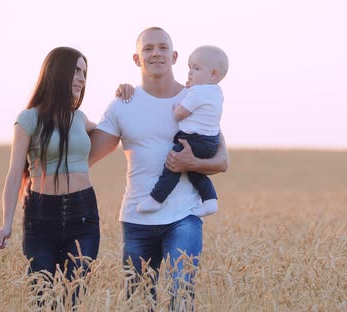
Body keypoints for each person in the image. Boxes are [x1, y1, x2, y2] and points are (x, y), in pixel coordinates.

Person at [89, 27, 229, 309]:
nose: (156, 53)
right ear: (136, 58)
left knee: (181, 293)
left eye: (163, 47)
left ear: (174, 56)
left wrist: (193, 163)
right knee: (139, 301)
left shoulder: (197, 98)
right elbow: (88, 154)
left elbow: (222, 161)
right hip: (137, 219)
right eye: (148, 48)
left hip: (184, 216)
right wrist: (78, 121)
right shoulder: (122, 104)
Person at [0, 47, 100, 305]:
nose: (83, 79)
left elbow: (114, 130)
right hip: (41, 217)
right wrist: (6, 224)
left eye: (85, 72)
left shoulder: (81, 119)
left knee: (73, 298)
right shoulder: (28, 119)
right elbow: (15, 174)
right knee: (43, 299)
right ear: (57, 72)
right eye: (76, 70)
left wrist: (125, 95)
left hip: (83, 215)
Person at [136, 45, 229, 216]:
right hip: (210, 142)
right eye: (189, 68)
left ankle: (156, 199)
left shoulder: (198, 92)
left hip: (193, 140)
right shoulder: (217, 92)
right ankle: (210, 200)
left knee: (173, 165)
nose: (190, 72)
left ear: (213, 74)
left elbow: (180, 114)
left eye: (196, 68)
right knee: (194, 172)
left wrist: (177, 107)